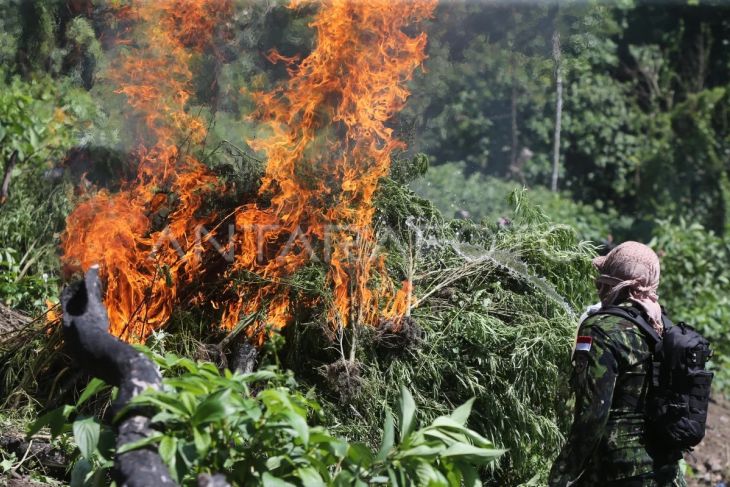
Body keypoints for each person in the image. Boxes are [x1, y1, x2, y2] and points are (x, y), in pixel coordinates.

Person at [548, 241, 685, 487]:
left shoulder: (600, 329)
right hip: (666, 472)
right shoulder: (661, 328)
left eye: (602, 280)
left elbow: (593, 414)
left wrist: (563, 472)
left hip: (617, 471)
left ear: (611, 283)